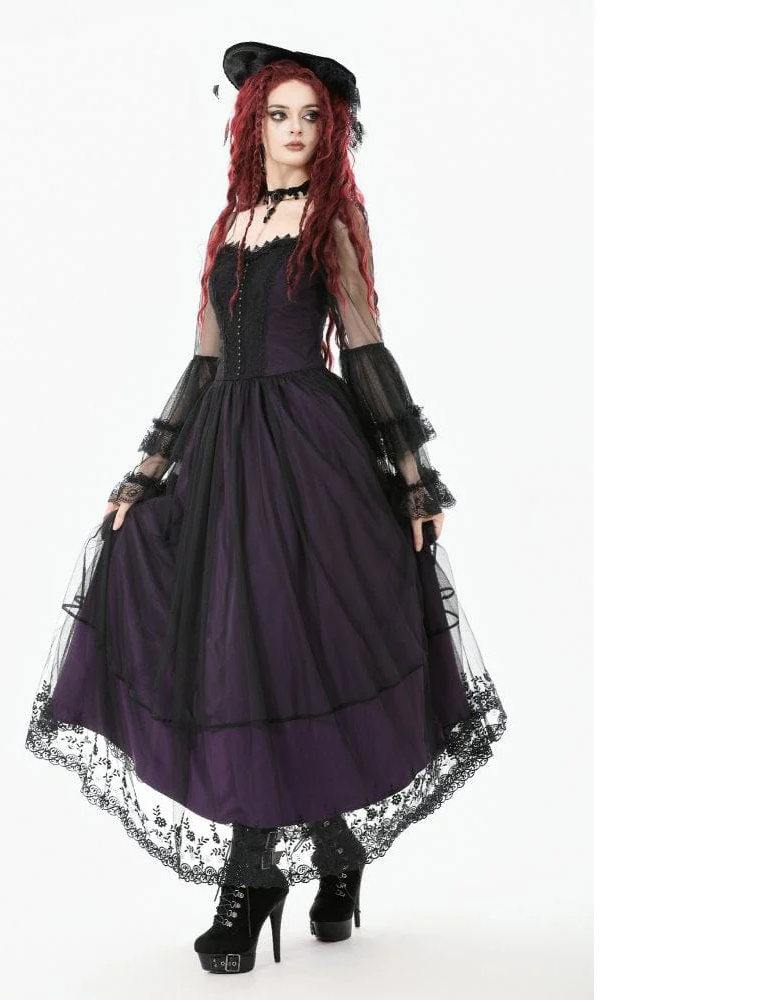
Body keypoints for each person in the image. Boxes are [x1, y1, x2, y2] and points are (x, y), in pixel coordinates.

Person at [25, 40, 507, 975]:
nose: (295, 130)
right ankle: (331, 851)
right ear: (251, 125)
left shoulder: (331, 219)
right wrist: (145, 475)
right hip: (224, 459)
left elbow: (363, 345)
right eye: (278, 114)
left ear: (331, 131)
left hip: (309, 455)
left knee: (289, 648)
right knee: (237, 649)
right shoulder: (232, 223)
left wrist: (413, 475)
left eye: (311, 117)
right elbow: (205, 361)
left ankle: (252, 879)